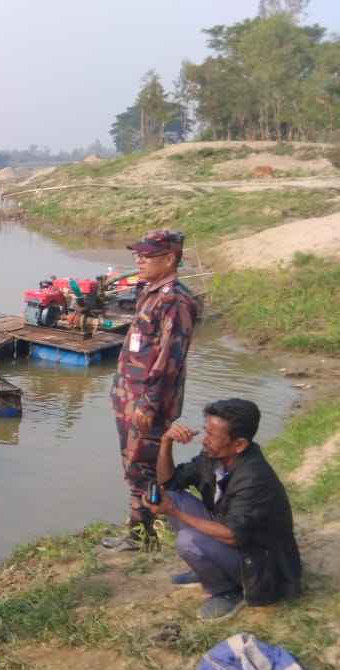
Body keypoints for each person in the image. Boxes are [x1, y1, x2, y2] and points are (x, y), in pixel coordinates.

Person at [144, 399, 302, 620]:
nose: (204, 439)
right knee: (172, 496)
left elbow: (232, 535)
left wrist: (173, 512)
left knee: (187, 540)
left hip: (262, 564)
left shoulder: (254, 478)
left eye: (212, 435)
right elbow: (168, 483)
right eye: (205, 431)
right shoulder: (214, 457)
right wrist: (166, 442)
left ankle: (227, 590)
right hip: (236, 539)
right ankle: (210, 567)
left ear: (239, 445)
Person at [103, 229, 201, 551]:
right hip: (130, 395)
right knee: (134, 465)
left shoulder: (176, 301)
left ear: (170, 258)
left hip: (148, 402)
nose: (139, 261)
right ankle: (140, 529)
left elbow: (170, 358)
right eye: (138, 255)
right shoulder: (151, 291)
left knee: (143, 466)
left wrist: (148, 403)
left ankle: (142, 535)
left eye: (147, 256)